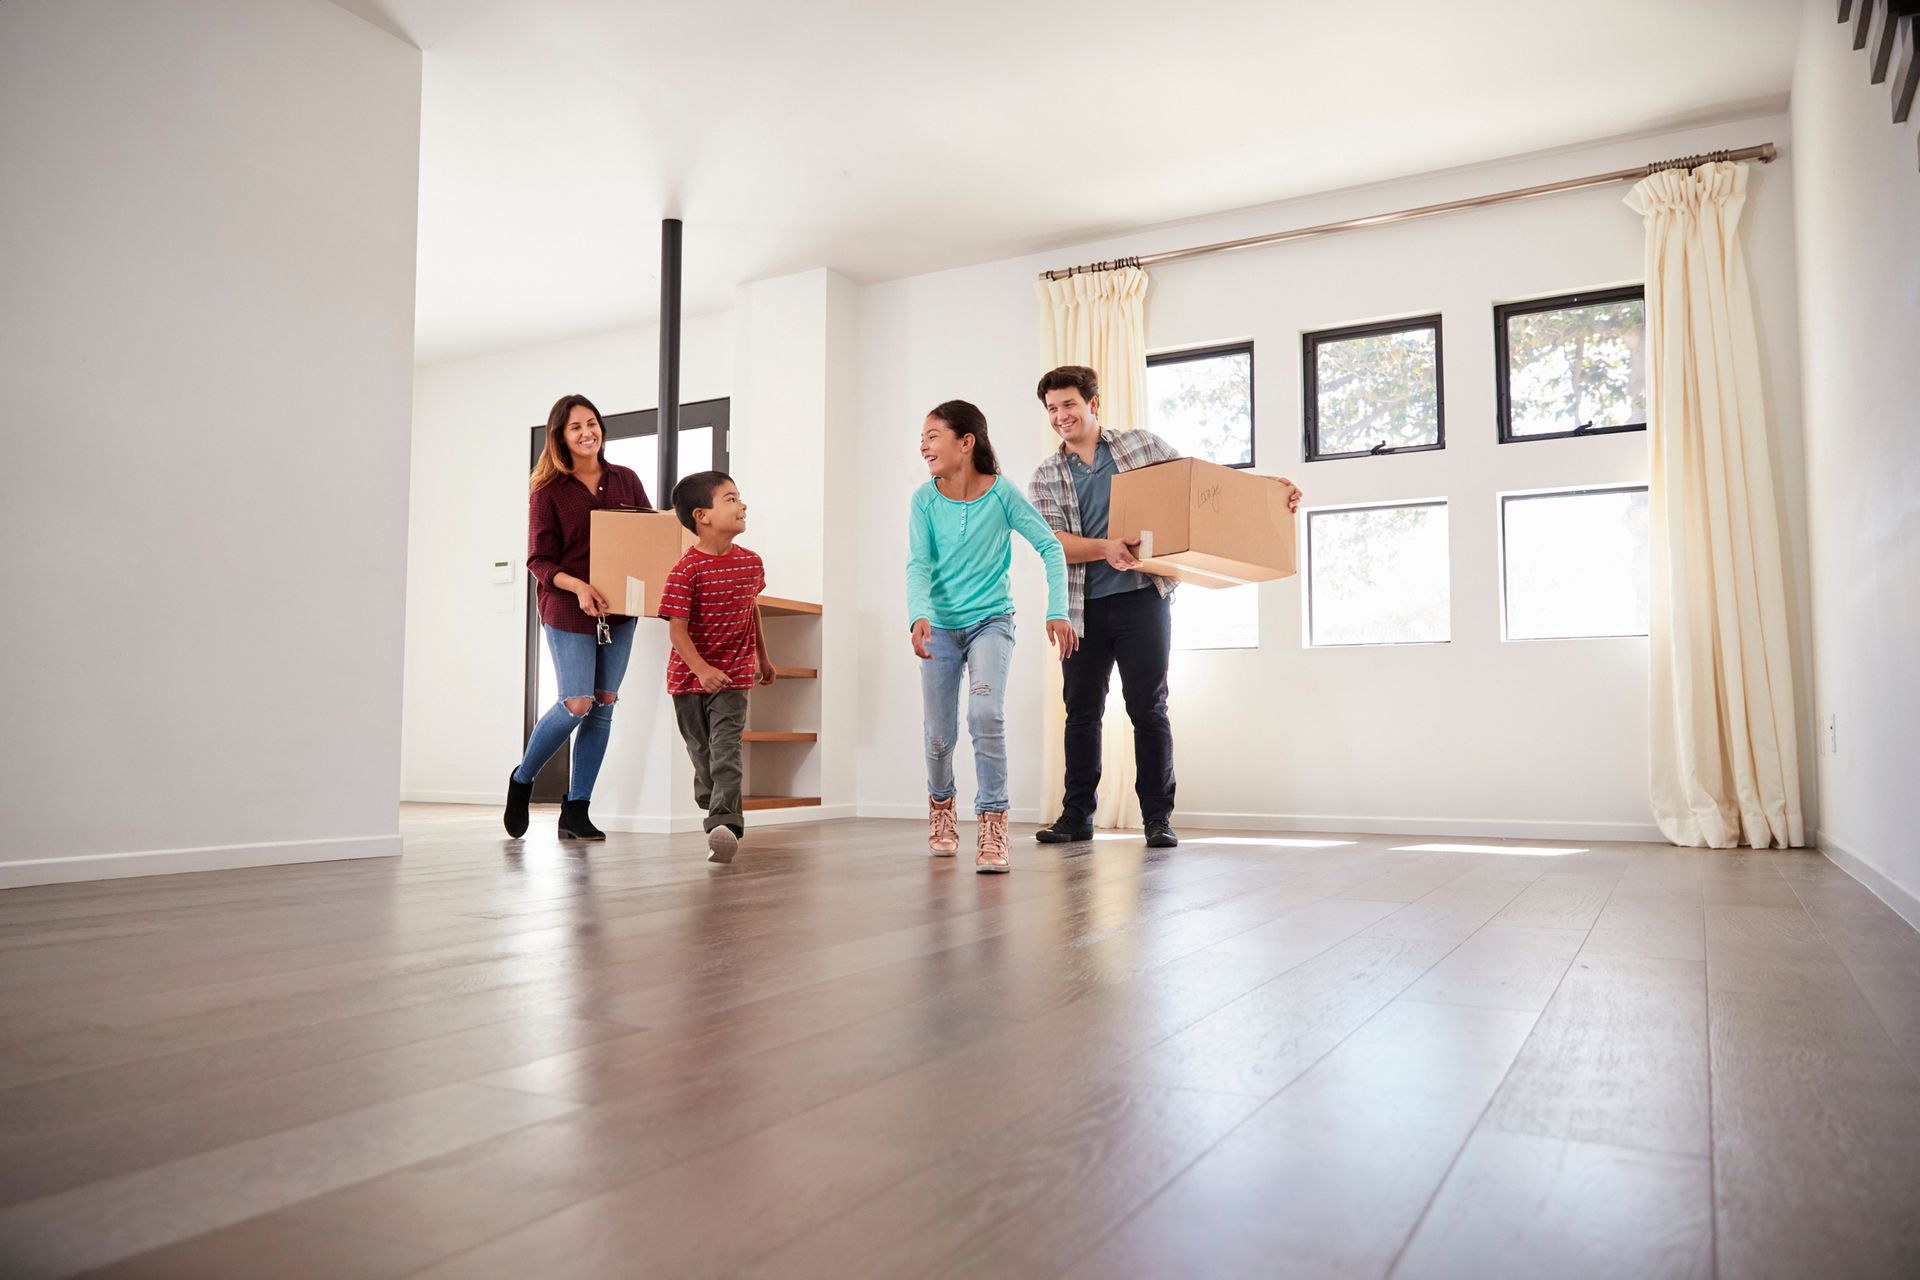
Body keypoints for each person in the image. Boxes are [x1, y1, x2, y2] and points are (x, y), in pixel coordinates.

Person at [1027, 365, 1302, 848]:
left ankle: (1157, 817)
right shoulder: (1047, 474)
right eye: (1052, 409)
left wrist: (1269, 490)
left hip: (1142, 601)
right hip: (1081, 608)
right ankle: (1076, 818)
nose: (1060, 416)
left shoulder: (1140, 446)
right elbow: (1052, 543)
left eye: (1069, 404)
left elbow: (1199, 490)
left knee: (1148, 709)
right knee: (1082, 713)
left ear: (1093, 404)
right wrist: (1106, 547)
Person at [907, 400, 1074, 873]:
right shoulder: (924, 499)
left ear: (966, 442)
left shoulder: (1002, 494)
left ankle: (993, 823)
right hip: (938, 625)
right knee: (939, 736)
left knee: (984, 713)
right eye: (922, 436)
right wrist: (918, 613)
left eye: (933, 434)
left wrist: (1057, 609)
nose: (924, 445)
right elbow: (918, 564)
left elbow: (1050, 547)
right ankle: (942, 809)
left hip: (990, 623)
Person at [504, 394, 650, 842]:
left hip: (620, 610)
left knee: (604, 703)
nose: (588, 433)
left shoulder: (625, 479)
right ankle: (523, 778)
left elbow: (648, 536)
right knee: (577, 702)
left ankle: (577, 807)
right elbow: (539, 561)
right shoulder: (547, 491)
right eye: (576, 427)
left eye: (592, 423)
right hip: (568, 605)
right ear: (560, 437)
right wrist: (580, 587)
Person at [661, 470, 775, 864]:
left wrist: (762, 656)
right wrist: (701, 670)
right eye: (730, 499)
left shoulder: (751, 564)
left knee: (725, 750)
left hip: (734, 675)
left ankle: (725, 826)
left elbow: (751, 609)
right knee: (702, 755)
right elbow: (677, 632)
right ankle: (713, 803)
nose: (742, 505)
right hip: (688, 682)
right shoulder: (684, 571)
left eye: (739, 498)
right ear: (701, 516)